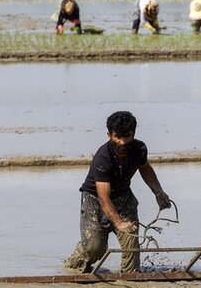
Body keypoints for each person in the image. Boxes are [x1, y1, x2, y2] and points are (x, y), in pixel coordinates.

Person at [64, 111, 171, 274]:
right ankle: (78, 258)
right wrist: (119, 223)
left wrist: (158, 192)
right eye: (117, 137)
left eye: (127, 136)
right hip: (95, 201)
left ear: (134, 133)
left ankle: (130, 278)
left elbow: (145, 168)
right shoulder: (103, 158)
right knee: (95, 248)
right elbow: (104, 197)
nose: (122, 142)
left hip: (124, 198)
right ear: (109, 135)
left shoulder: (139, 149)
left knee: (131, 248)